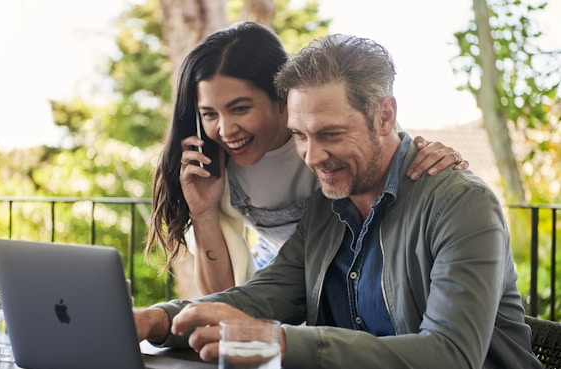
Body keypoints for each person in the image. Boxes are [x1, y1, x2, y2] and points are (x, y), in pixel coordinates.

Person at [134, 34, 557, 369]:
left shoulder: (461, 204)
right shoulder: (329, 203)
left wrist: (280, 341)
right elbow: (263, 295)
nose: (313, 158)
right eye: (300, 135)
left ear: (385, 116)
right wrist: (160, 319)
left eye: (330, 134)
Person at [146, 21, 469, 295]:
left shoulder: (336, 133)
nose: (226, 129)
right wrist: (202, 213)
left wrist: (434, 158)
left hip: (353, 275)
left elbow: (394, 152)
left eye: (240, 108)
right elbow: (219, 298)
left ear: (282, 99)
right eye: (209, 114)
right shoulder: (213, 167)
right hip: (279, 277)